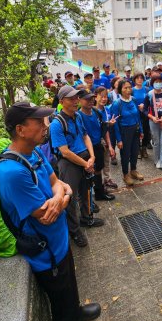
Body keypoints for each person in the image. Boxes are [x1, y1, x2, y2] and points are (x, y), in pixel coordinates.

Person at [0, 101, 112, 321]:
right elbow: (43, 213)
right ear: (21, 129)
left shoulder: (33, 152)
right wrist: (63, 196)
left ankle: (76, 310)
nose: (46, 125)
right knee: (62, 316)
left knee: (71, 288)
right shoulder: (12, 171)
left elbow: (56, 183)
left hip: (60, 243)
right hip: (45, 254)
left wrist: (61, 193)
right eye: (39, 122)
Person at [49, 86, 104, 246]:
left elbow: (85, 136)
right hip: (69, 163)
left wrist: (92, 156)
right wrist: (86, 163)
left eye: (76, 98)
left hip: (85, 158)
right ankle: (74, 231)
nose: (75, 101)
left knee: (86, 191)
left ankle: (87, 218)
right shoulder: (57, 124)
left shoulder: (78, 116)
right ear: (61, 101)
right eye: (71, 98)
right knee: (70, 198)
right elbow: (64, 152)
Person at [77, 89, 115, 202]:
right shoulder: (78, 116)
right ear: (79, 100)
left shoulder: (96, 112)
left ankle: (99, 193)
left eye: (91, 98)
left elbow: (102, 126)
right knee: (88, 173)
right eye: (87, 99)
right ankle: (88, 201)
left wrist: (109, 125)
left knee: (98, 169)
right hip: (86, 149)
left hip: (98, 145)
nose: (90, 101)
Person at [111, 79, 144, 186]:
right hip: (124, 132)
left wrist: (141, 130)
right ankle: (125, 174)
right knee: (125, 154)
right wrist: (119, 139)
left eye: (130, 87)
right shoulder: (117, 104)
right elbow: (115, 124)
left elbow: (138, 116)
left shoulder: (133, 100)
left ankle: (133, 170)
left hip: (135, 130)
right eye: (125, 88)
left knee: (135, 152)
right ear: (120, 90)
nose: (128, 90)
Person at [144, 74, 162, 173]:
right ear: (152, 83)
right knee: (156, 142)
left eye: (160, 81)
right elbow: (144, 109)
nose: (158, 83)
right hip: (153, 122)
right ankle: (157, 160)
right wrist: (152, 117)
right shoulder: (149, 94)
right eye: (156, 82)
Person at [94, 86, 118, 190]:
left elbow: (106, 128)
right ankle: (97, 184)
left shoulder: (107, 110)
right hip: (95, 142)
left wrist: (110, 145)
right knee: (97, 164)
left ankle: (107, 179)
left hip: (105, 138)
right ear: (95, 97)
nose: (104, 99)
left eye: (106, 97)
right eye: (102, 96)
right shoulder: (92, 111)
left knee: (106, 160)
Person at [132, 72, 150, 158]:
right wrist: (137, 107)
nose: (139, 80)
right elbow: (129, 102)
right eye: (137, 78)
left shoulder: (147, 89)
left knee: (146, 131)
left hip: (145, 114)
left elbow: (151, 101)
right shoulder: (131, 90)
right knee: (136, 131)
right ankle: (138, 149)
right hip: (135, 114)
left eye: (141, 78)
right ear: (134, 80)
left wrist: (145, 106)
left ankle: (144, 148)